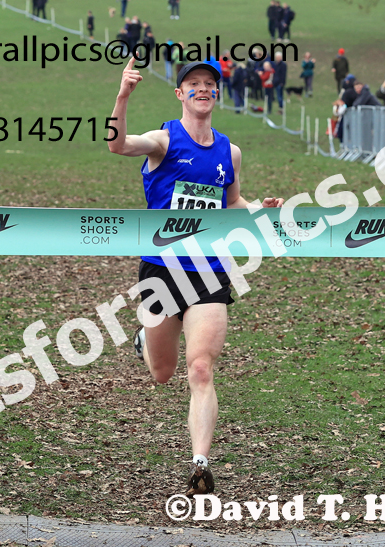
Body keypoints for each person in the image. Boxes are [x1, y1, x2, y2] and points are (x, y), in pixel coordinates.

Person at [107, 57, 284, 495]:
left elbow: (232, 202)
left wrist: (261, 209)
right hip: (162, 270)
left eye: (209, 83)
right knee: (162, 373)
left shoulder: (230, 152)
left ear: (216, 93)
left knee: (201, 368)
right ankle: (144, 339)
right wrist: (123, 96)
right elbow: (117, 145)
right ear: (180, 94)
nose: (202, 88)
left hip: (209, 270)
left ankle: (200, 465)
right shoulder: (164, 140)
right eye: (193, 83)